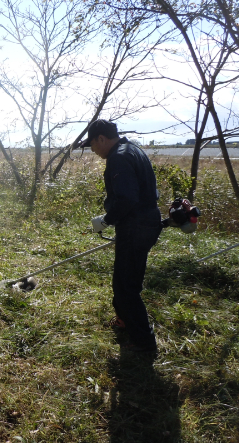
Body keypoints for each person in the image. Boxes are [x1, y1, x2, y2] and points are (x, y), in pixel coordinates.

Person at [80, 119, 162, 353]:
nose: (93, 150)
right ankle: (125, 320)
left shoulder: (119, 157)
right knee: (124, 279)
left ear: (101, 138)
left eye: (93, 145)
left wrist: (107, 220)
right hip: (145, 222)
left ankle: (143, 343)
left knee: (126, 286)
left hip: (136, 226)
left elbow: (127, 198)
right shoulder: (133, 149)